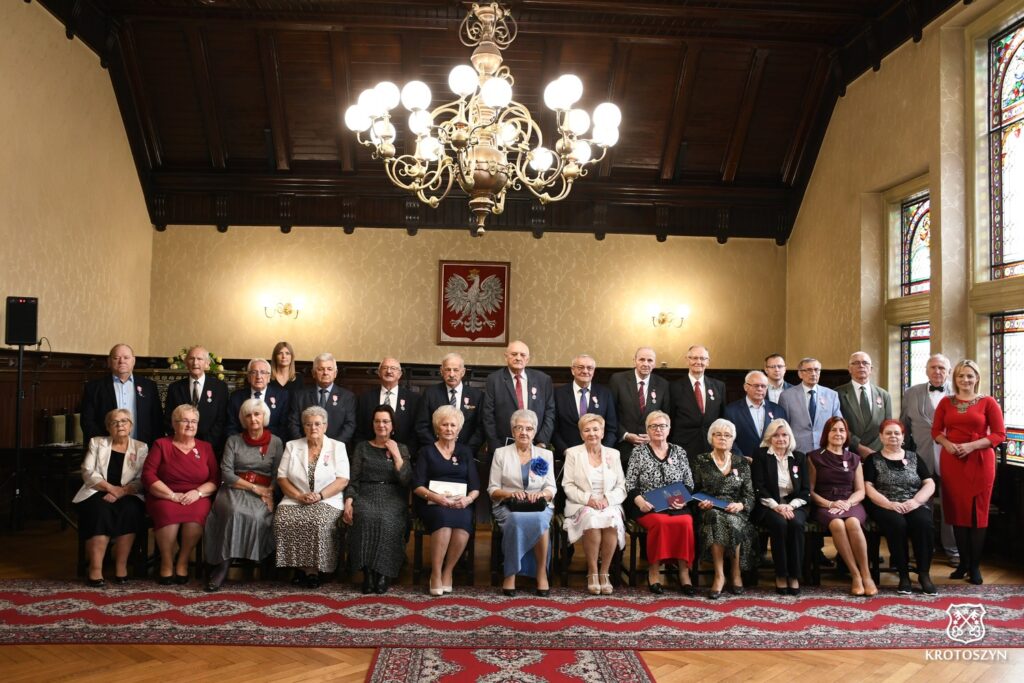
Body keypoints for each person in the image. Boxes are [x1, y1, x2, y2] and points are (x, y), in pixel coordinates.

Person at [932, 359, 1006, 586]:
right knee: (957, 511)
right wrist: (946, 444)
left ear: (977, 378)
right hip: (952, 461)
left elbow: (999, 434)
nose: (965, 380)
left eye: (969, 376)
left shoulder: (988, 402)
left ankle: (974, 566)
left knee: (977, 513)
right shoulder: (946, 402)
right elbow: (936, 431)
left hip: (980, 460)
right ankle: (963, 563)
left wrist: (972, 446)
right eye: (961, 376)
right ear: (954, 379)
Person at [202, 398, 284, 592]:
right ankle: (223, 565)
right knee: (233, 512)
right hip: (235, 488)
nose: (253, 419)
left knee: (258, 517)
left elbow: (278, 474)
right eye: (248, 415)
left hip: (264, 492)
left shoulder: (276, 442)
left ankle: (258, 560)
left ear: (264, 417)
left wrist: (270, 493)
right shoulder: (233, 440)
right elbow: (227, 474)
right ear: (243, 419)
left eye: (257, 414)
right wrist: (254, 488)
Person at [142, 404, 220, 585]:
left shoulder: (206, 447)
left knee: (196, 515)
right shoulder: (161, 444)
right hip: (164, 494)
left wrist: (198, 492)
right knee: (168, 512)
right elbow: (148, 475)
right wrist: (171, 495)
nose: (190, 425)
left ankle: (183, 560)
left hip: (196, 496)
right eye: (185, 420)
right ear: (174, 424)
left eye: (194, 421)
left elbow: (216, 479)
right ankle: (167, 561)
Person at [274, 405, 350, 588]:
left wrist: (320, 496)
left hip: (327, 499)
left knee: (318, 522)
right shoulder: (292, 446)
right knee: (283, 520)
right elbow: (282, 478)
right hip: (295, 499)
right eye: (308, 424)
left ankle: (315, 571)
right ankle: (300, 568)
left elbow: (343, 480)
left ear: (325, 426)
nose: (313, 428)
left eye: (317, 424)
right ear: (303, 427)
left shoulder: (337, 447)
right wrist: (299, 496)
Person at [72, 408, 148, 587]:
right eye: (114, 422)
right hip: (97, 491)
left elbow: (142, 478)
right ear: (108, 427)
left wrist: (122, 491)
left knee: (130, 510)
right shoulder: (97, 443)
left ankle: (121, 567)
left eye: (124, 421)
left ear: (131, 426)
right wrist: (111, 489)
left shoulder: (141, 447)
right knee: (100, 511)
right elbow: (88, 472)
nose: (120, 425)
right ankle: (95, 568)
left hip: (128, 493)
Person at [624, 410, 695, 595]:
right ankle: (654, 570)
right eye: (653, 426)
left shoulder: (679, 451)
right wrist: (639, 501)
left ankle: (684, 571)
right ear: (647, 429)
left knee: (685, 522)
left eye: (662, 426)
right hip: (648, 506)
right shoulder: (638, 452)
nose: (658, 429)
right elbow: (630, 483)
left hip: (676, 505)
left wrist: (682, 500)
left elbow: (689, 483)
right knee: (661, 523)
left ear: (669, 429)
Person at [343, 405, 412, 595]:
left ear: (392, 425)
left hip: (393, 495)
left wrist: (396, 455)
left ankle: (383, 573)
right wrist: (348, 501)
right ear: (373, 424)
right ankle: (368, 573)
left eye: (385, 421)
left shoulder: (401, 448)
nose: (381, 425)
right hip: (365, 492)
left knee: (386, 519)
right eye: (377, 421)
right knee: (364, 517)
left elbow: (406, 480)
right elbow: (354, 479)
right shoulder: (362, 447)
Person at [413, 405, 481, 596]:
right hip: (432, 502)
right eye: (444, 425)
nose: (449, 429)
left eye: (453, 425)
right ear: (437, 427)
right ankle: (435, 573)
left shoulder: (465, 452)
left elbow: (475, 487)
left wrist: (468, 500)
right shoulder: (426, 452)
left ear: (459, 429)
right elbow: (417, 485)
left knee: (463, 524)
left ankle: (448, 571)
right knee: (443, 521)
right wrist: (436, 497)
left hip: (460, 504)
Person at [487, 409, 556, 596]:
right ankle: (510, 574)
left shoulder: (545, 455)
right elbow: (493, 489)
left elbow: (551, 487)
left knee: (541, 520)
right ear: (513, 431)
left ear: (535, 431)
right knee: (516, 519)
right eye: (519, 428)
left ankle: (541, 573)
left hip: (538, 505)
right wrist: (510, 494)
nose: (524, 432)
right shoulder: (501, 454)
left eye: (529, 428)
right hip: (508, 505)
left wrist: (541, 495)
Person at [864, 419, 937, 595]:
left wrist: (916, 501)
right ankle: (903, 575)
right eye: (888, 433)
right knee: (897, 524)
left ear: (903, 436)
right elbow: (868, 487)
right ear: (881, 437)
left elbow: (929, 482)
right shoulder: (872, 459)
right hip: (884, 505)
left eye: (897, 433)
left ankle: (924, 574)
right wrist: (889, 504)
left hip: (912, 503)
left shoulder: (913, 457)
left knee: (924, 523)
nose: (893, 436)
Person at [807, 416, 877, 596]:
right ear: (826, 434)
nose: (838, 433)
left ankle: (866, 575)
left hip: (850, 501)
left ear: (847, 435)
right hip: (825, 503)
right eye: (833, 430)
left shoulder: (854, 458)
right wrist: (830, 503)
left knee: (853, 522)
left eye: (841, 430)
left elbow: (860, 491)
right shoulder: (814, 457)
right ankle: (855, 575)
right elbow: (810, 492)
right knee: (837, 523)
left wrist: (847, 503)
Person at [900, 353, 957, 563]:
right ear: (926, 370)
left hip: (952, 457)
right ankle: (923, 549)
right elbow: (904, 425)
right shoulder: (911, 393)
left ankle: (953, 550)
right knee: (922, 505)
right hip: (920, 457)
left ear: (949, 372)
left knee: (950, 504)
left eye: (942, 368)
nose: (937, 371)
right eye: (933, 367)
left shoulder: (958, 393)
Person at [691, 419, 755, 600]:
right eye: (718, 434)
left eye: (727, 435)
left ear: (733, 440)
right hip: (710, 509)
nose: (722, 438)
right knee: (716, 517)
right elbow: (694, 490)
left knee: (732, 520)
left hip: (735, 510)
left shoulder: (741, 462)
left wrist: (741, 505)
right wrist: (700, 502)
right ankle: (719, 575)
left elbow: (749, 494)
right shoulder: (700, 460)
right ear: (711, 438)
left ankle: (735, 571)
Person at [562, 414, 626, 595]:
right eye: (587, 430)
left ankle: (604, 573)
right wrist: (588, 499)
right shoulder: (573, 454)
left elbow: (621, 486)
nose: (592, 434)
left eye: (596, 429)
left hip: (609, 502)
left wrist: (607, 500)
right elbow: (568, 485)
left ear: (603, 432)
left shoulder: (614, 454)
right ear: (581, 434)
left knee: (611, 519)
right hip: (582, 502)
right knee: (591, 519)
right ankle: (592, 571)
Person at [750, 418, 809, 595]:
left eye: (784, 435)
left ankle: (795, 576)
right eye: (776, 435)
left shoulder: (799, 457)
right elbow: (758, 487)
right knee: (780, 524)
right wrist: (777, 507)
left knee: (796, 524)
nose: (781, 439)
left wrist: (790, 506)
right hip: (768, 505)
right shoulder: (761, 455)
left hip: (795, 505)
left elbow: (805, 490)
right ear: (769, 438)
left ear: (790, 437)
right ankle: (781, 574)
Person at [81, 343, 162, 445]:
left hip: (142, 446)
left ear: (133, 361)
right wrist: (104, 444)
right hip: (106, 447)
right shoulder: (94, 388)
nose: (121, 361)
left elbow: (157, 420)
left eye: (126, 357)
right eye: (116, 358)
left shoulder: (149, 386)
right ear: (109, 361)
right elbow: (87, 421)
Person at [482, 341, 556, 452]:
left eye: (522, 355)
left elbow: (550, 412)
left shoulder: (543, 380)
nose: (518, 358)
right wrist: (496, 446)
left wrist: (541, 442)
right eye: (514, 354)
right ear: (506, 356)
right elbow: (488, 415)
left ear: (527, 359)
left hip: (536, 445)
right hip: (503, 446)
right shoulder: (494, 380)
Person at [609, 347, 672, 469]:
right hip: (623, 447)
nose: (645, 364)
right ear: (634, 361)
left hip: (652, 449)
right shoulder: (617, 380)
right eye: (642, 359)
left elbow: (666, 416)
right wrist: (625, 435)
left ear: (654, 363)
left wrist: (653, 436)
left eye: (650, 360)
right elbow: (611, 413)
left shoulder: (663, 384)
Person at [414, 352, 485, 453]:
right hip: (435, 453)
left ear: (463, 372)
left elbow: (481, 428)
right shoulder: (430, 394)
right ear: (441, 371)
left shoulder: (477, 396)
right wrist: (438, 449)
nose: (451, 374)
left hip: (466, 453)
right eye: (448, 370)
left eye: (456, 370)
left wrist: (467, 450)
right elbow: (421, 426)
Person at [163, 345, 229, 453]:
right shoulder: (175, 388)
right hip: (180, 447)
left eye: (199, 359)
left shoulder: (220, 387)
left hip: (210, 448)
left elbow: (221, 420)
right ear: (186, 363)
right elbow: (169, 418)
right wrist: (181, 442)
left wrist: (204, 445)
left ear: (207, 363)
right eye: (191, 358)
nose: (195, 363)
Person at [669, 345, 727, 466]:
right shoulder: (674, 387)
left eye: (702, 358)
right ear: (687, 360)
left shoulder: (719, 386)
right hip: (683, 448)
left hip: (711, 448)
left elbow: (722, 418)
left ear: (708, 362)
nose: (698, 362)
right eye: (694, 358)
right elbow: (670, 418)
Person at [552, 354, 618, 457]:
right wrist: (565, 451)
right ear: (572, 370)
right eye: (580, 367)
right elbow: (554, 428)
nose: (585, 371)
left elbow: (612, 428)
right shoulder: (558, 394)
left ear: (593, 371)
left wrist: (602, 451)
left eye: (589, 368)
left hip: (599, 456)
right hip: (568, 454)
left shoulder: (605, 394)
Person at [287, 353, 356, 444]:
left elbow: (350, 425)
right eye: (321, 369)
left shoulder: (347, 397)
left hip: (335, 448)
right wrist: (305, 445)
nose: (325, 373)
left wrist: (334, 446)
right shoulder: (300, 396)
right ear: (313, 373)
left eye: (329, 369)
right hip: (305, 447)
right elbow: (293, 424)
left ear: (335, 373)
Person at [778, 357, 843, 454]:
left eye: (816, 370)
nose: (813, 373)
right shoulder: (787, 396)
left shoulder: (831, 395)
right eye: (809, 370)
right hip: (797, 451)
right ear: (800, 374)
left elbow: (839, 424)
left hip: (825, 451)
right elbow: (783, 426)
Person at [355, 357, 420, 448]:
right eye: (385, 368)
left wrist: (405, 453)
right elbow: (359, 429)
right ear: (379, 373)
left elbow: (416, 431)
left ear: (400, 374)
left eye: (393, 368)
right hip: (371, 451)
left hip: (403, 451)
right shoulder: (365, 398)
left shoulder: (413, 399)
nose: (389, 371)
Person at [836, 351, 892, 458]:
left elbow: (888, 426)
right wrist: (858, 447)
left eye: (865, 363)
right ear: (849, 369)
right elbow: (837, 426)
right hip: (850, 452)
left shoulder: (884, 395)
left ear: (871, 369)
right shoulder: (837, 394)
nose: (861, 366)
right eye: (856, 363)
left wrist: (877, 451)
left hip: (878, 452)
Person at [723, 370, 787, 458]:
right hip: (744, 460)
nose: (760, 389)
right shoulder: (731, 411)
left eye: (763, 386)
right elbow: (727, 438)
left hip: (771, 460)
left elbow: (784, 436)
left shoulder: (778, 410)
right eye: (756, 386)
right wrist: (741, 459)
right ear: (746, 387)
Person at [227, 358, 290, 436]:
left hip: (272, 441)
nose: (258, 376)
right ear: (249, 377)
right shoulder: (236, 397)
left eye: (263, 372)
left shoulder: (282, 396)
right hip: (242, 441)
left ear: (269, 377)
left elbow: (283, 428)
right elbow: (231, 427)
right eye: (254, 372)